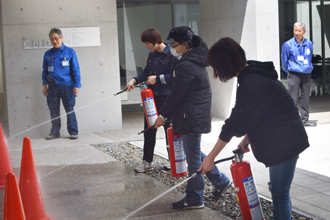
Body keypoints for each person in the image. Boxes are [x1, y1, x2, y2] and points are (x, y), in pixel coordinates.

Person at [199, 37, 309, 219]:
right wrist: (246, 140)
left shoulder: (251, 83)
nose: (215, 73)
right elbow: (256, 113)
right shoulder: (253, 75)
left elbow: (233, 124)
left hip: (285, 142)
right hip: (284, 138)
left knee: (280, 194)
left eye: (215, 67)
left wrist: (210, 158)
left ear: (224, 63)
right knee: (279, 193)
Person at [154, 26, 231, 210]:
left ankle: (195, 199)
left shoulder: (187, 65)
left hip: (191, 117)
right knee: (195, 153)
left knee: (193, 160)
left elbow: (176, 94)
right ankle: (221, 182)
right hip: (191, 115)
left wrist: (162, 116)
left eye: (174, 44)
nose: (171, 47)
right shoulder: (191, 60)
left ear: (185, 45)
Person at [125, 28, 176, 173]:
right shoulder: (152, 54)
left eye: (148, 43)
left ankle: (174, 161)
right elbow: (146, 72)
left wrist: (157, 78)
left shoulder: (171, 54)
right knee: (149, 130)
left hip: (167, 97)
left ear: (156, 41)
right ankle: (147, 162)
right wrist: (134, 80)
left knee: (169, 130)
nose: (146, 46)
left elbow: (174, 77)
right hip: (151, 99)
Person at [42, 28, 81, 140]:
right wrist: (44, 85)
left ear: (61, 38)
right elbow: (44, 71)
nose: (54, 41)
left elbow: (76, 70)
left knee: (69, 108)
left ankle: (73, 131)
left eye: (56, 38)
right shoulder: (48, 54)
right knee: (53, 110)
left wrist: (77, 85)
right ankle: (55, 132)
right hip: (52, 86)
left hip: (67, 86)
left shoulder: (70, 52)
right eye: (51, 39)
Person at [281, 22, 315, 126]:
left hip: (306, 73)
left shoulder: (308, 43)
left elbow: (309, 57)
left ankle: (305, 119)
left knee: (306, 97)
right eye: (295, 30)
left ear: (304, 31)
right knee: (293, 98)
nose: (296, 33)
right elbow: (284, 60)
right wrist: (289, 70)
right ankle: (293, 120)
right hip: (294, 74)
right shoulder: (287, 44)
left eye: (299, 31)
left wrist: (308, 67)